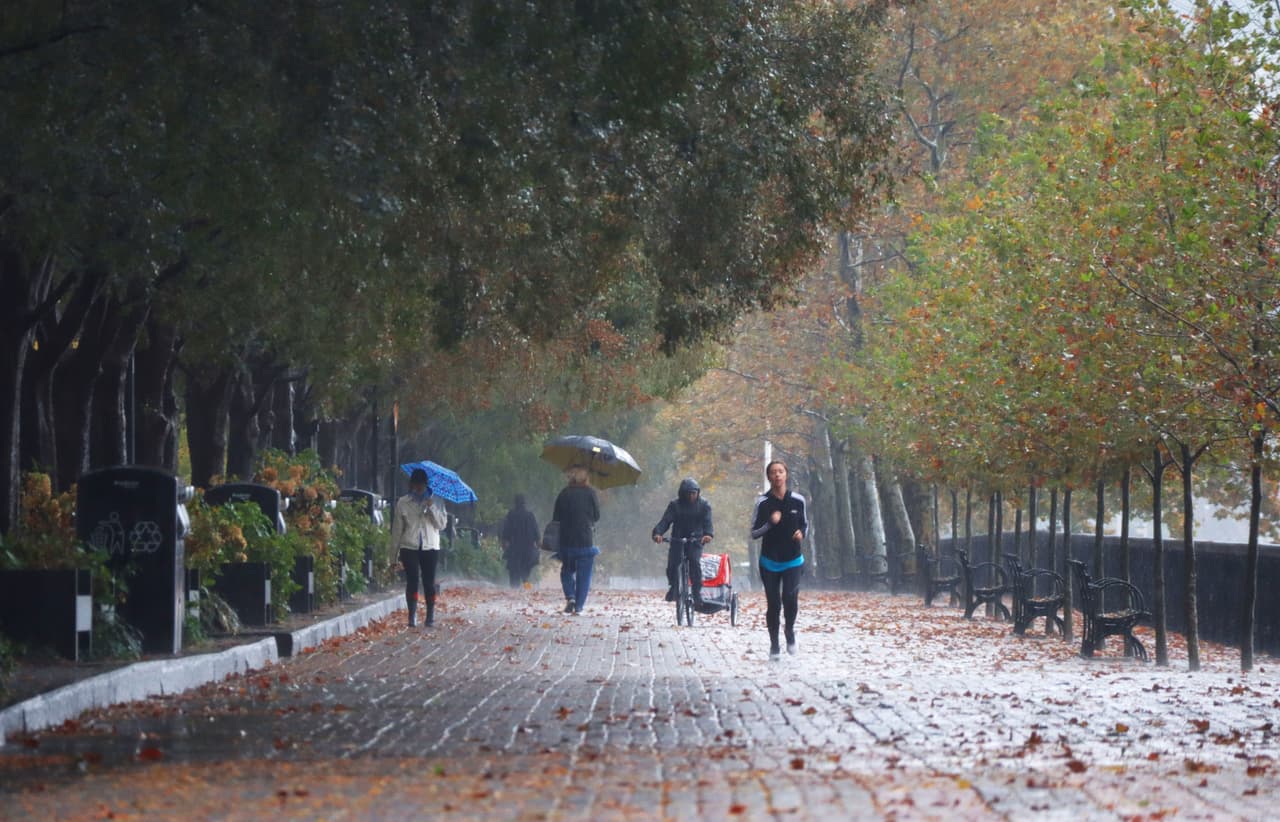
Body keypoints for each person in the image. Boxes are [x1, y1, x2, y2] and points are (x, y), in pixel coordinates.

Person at [750, 459, 807, 659]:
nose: (777, 475)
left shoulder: (798, 500)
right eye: (773, 472)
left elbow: (804, 524)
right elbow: (754, 533)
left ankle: (789, 631)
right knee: (774, 604)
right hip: (770, 561)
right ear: (768, 477)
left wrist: (802, 533)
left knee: (790, 598)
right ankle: (774, 645)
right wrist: (770, 523)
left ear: (786, 474)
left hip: (793, 559)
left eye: (780, 471)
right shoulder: (762, 502)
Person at [390, 468, 448, 627]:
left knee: (429, 582)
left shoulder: (437, 500)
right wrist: (393, 557)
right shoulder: (403, 503)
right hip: (409, 546)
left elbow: (441, 525)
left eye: (420, 486)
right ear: (411, 485)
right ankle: (412, 616)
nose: (417, 489)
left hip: (430, 546)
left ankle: (430, 615)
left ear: (425, 484)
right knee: (412, 580)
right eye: (415, 486)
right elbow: (397, 530)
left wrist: (431, 509)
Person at [651, 477, 714, 606]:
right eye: (688, 493)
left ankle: (696, 593)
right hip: (678, 538)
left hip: (695, 539)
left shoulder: (704, 505)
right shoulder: (675, 505)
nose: (691, 496)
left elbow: (708, 522)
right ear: (682, 493)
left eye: (694, 493)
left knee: (694, 562)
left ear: (698, 493)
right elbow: (665, 521)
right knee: (673, 563)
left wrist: (708, 534)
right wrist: (658, 533)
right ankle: (674, 586)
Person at [552, 466, 600, 615]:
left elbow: (556, 518)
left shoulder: (564, 494)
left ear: (571, 477)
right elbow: (597, 516)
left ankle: (570, 597)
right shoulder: (591, 493)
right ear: (586, 478)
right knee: (584, 576)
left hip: (567, 541)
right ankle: (578, 607)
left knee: (566, 570)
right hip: (585, 541)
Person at [500, 494, 540, 588]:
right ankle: (527, 590)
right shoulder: (530, 515)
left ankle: (514, 593)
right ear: (524, 503)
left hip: (514, 549)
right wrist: (538, 543)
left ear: (515, 503)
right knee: (525, 575)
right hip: (528, 550)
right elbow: (535, 531)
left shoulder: (511, 514)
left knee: (514, 574)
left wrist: (504, 542)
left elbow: (506, 530)